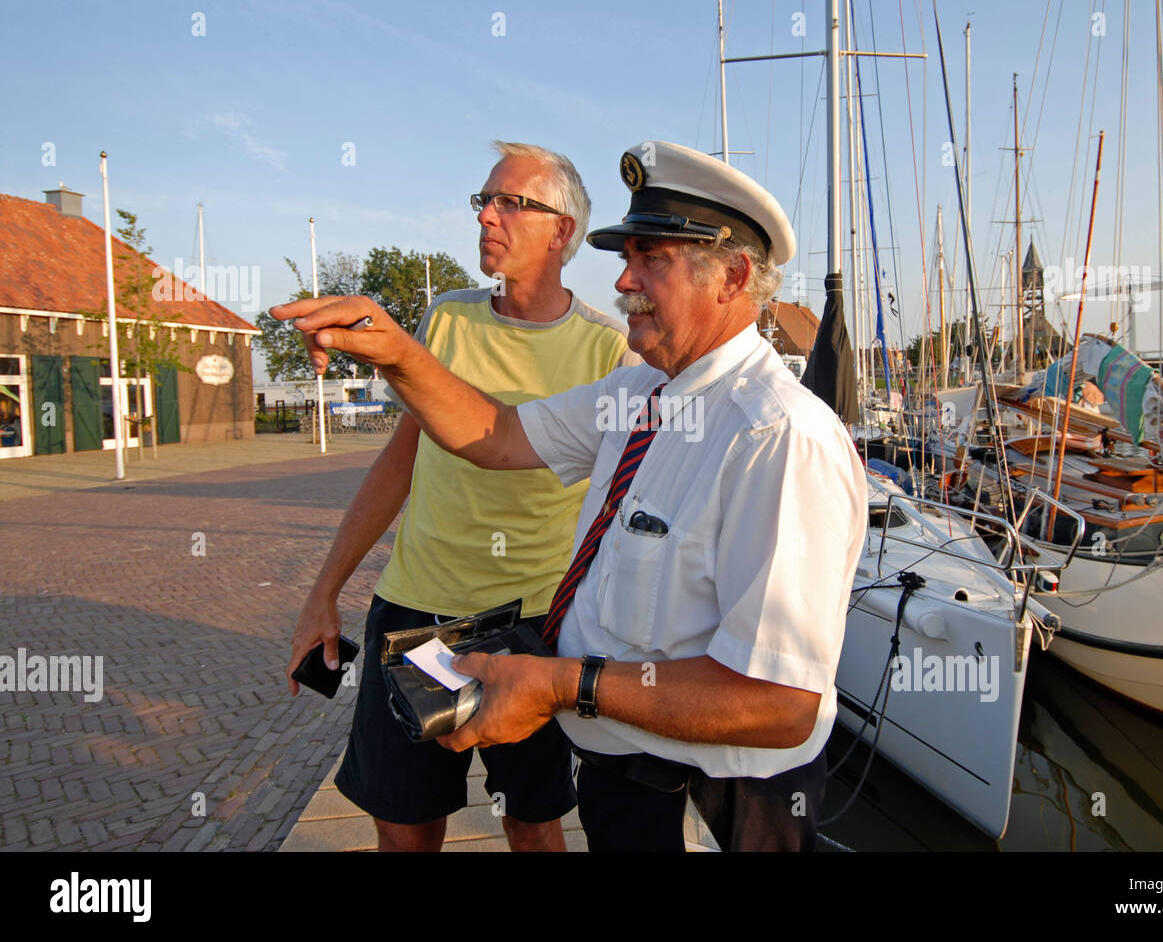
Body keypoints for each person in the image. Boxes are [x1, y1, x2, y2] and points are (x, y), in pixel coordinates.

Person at [273, 141, 868, 852]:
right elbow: (495, 434)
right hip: (625, 776)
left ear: (733, 275)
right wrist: (399, 353)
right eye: (627, 258)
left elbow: (780, 705)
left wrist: (563, 686)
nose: (624, 281)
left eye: (653, 259)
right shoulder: (640, 391)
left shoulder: (779, 437)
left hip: (715, 800)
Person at [284, 141, 636, 852]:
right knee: (405, 829)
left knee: (533, 825)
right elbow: (399, 462)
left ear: (561, 231)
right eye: (484, 200)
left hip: (529, 624)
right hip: (417, 612)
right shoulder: (445, 318)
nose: (488, 216)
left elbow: (618, 508)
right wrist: (324, 592)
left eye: (513, 202)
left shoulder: (607, 348)